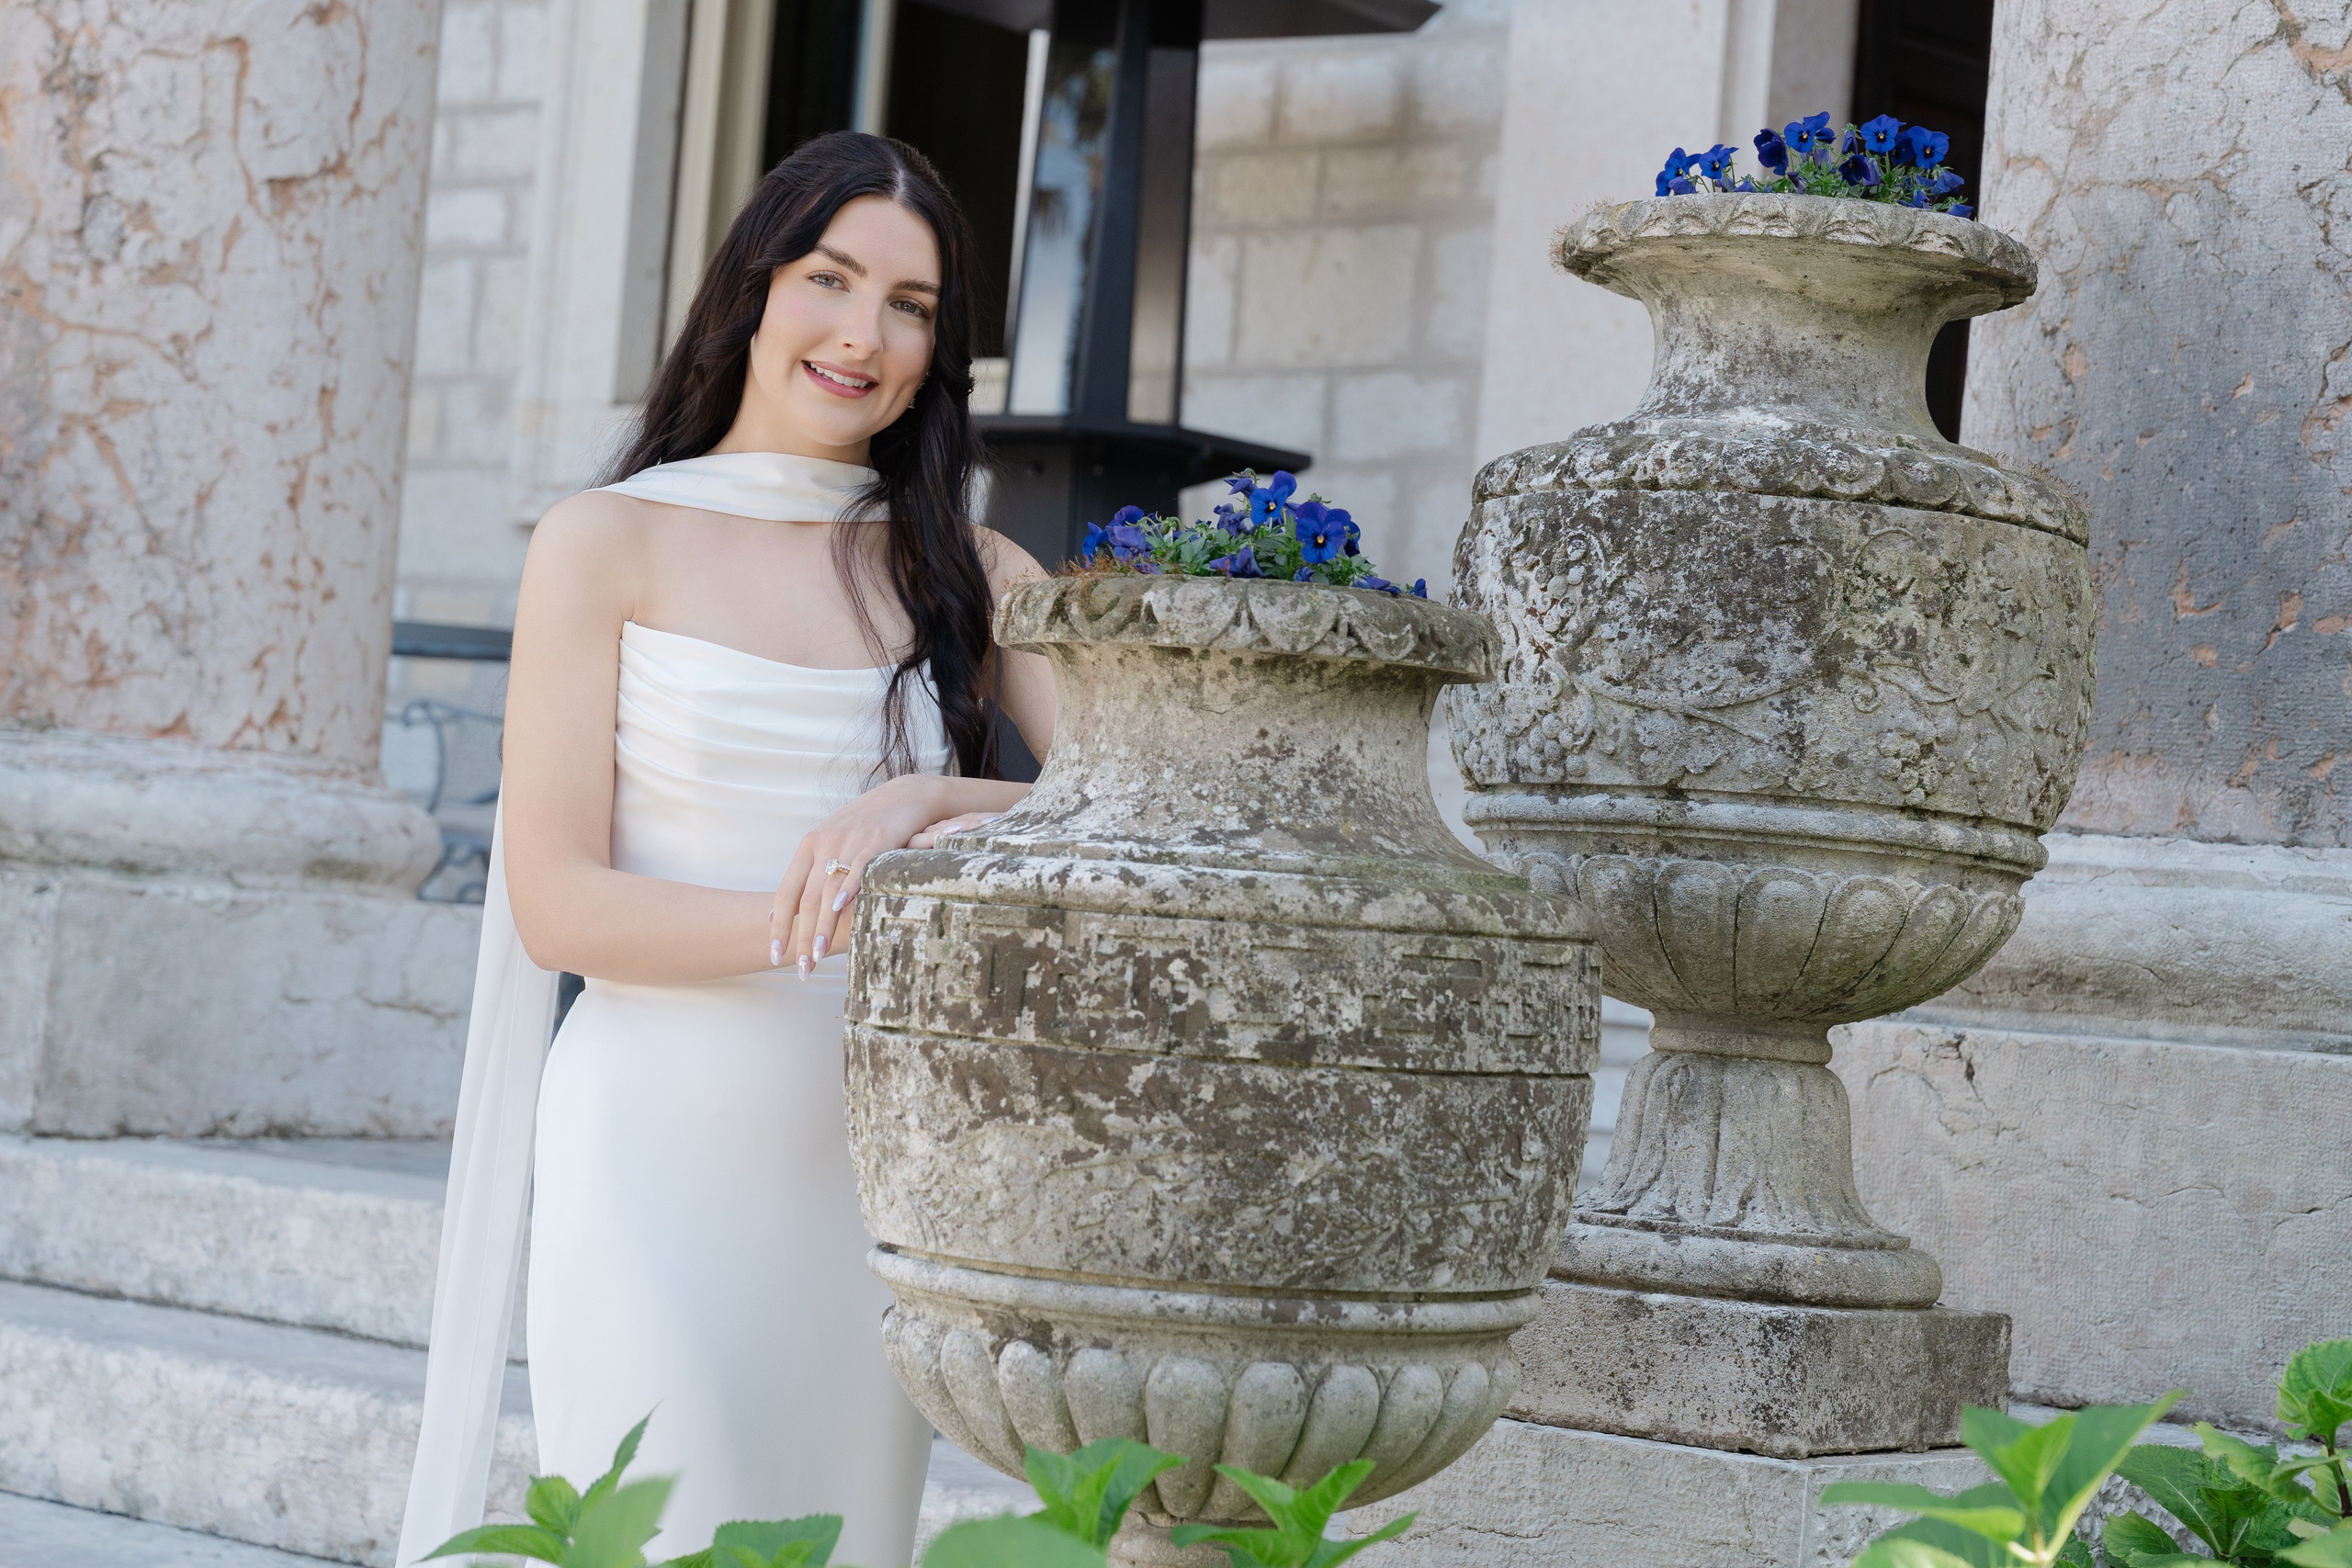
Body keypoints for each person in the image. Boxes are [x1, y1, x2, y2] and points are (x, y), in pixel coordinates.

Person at [395, 131, 1055, 1567]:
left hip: (873, 1175)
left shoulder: (974, 571)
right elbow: (559, 905)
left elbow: (1153, 817)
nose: (862, 334)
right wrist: (831, 910)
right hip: (652, 1149)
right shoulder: (602, 540)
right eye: (830, 278)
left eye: (911, 306)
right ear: (754, 286)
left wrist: (926, 806)